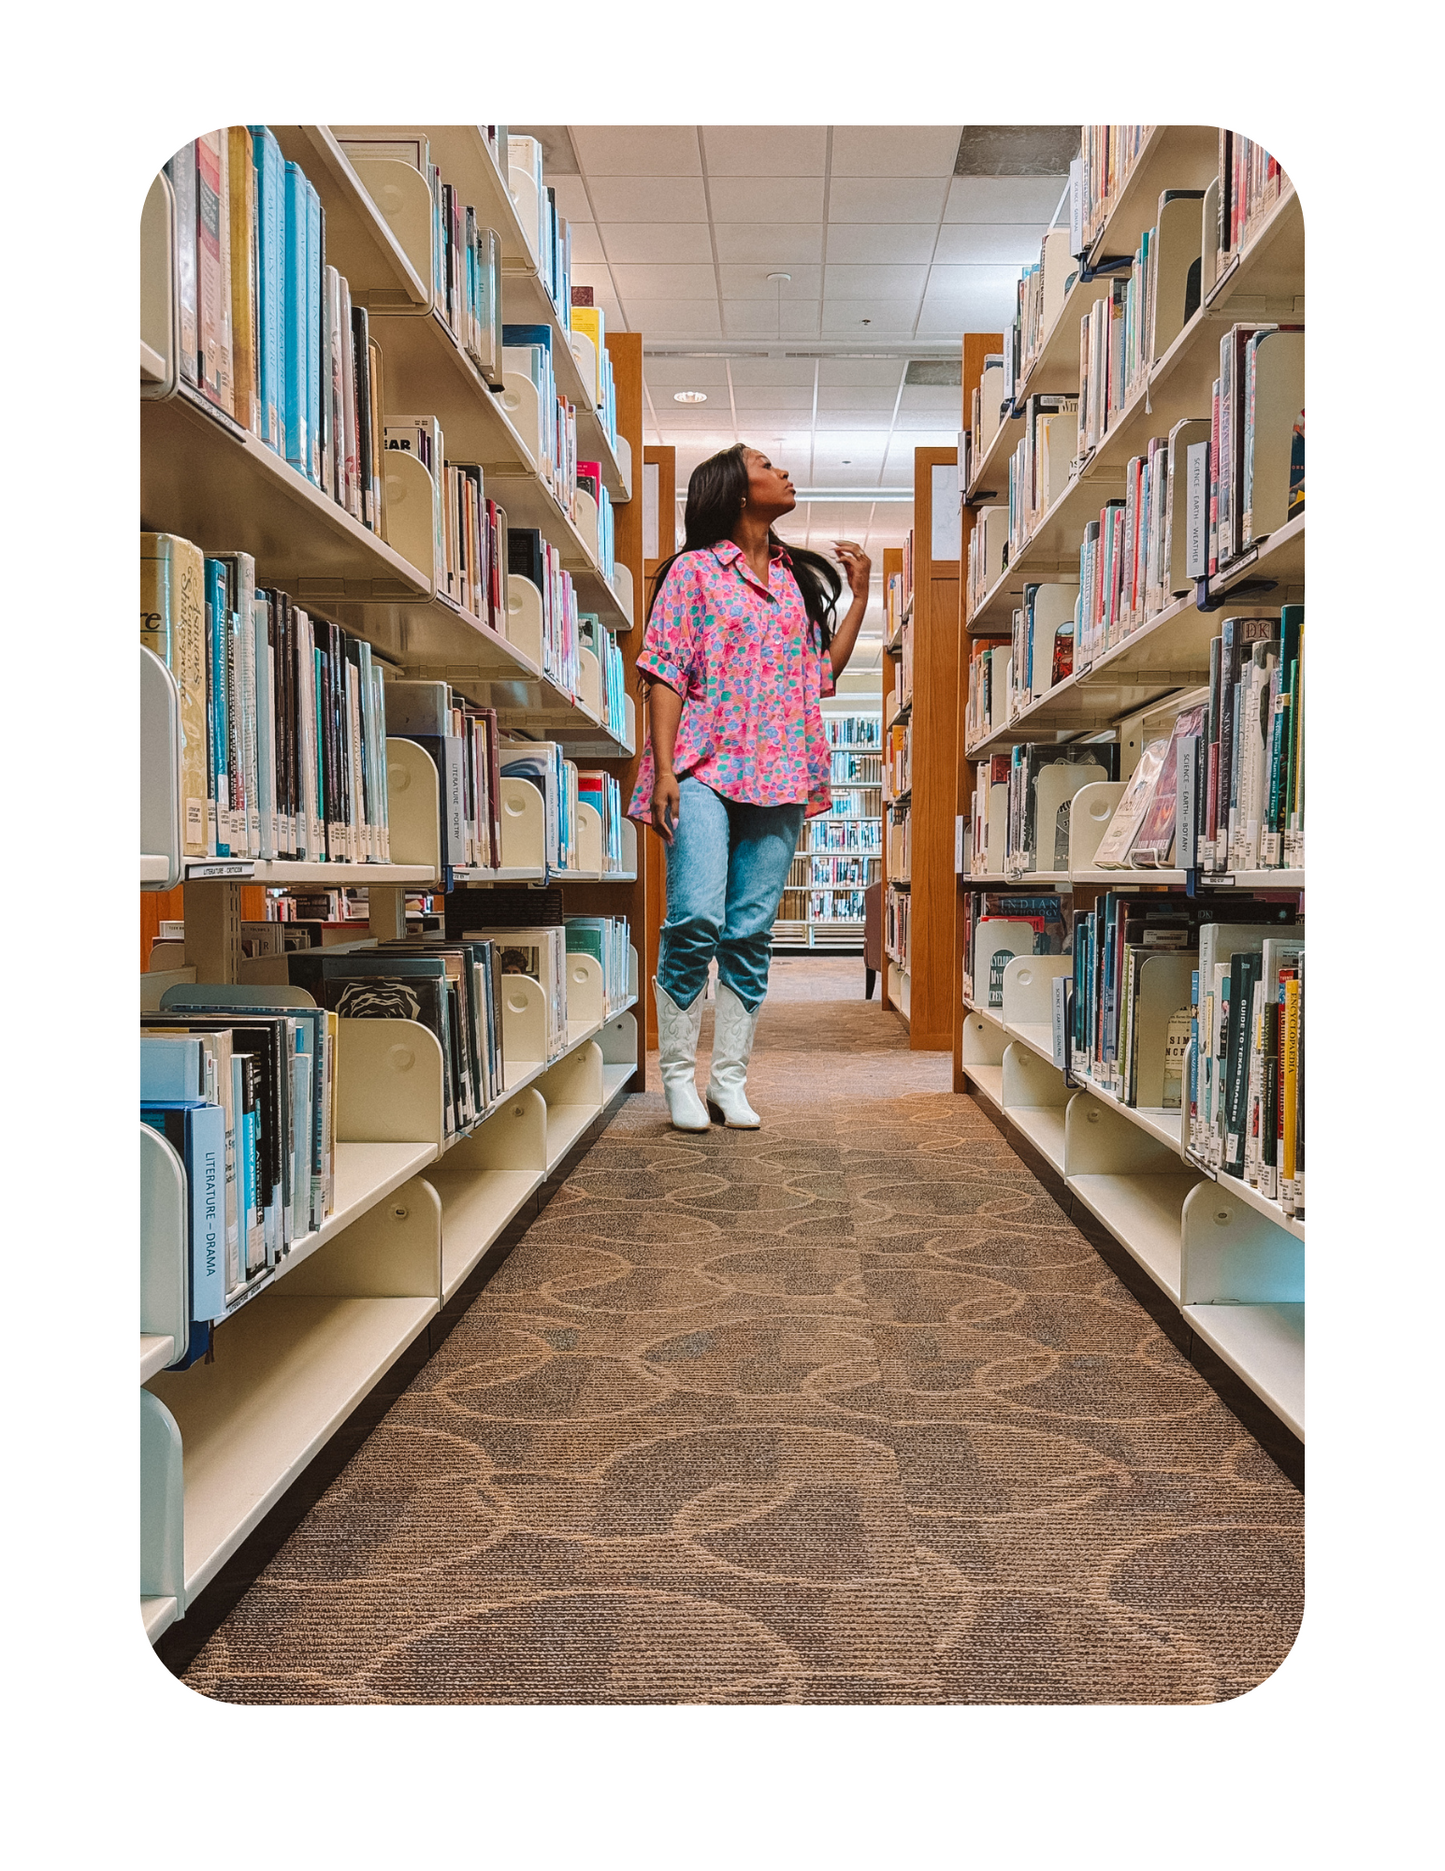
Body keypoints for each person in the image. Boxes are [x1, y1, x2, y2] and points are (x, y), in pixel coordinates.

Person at [627, 443, 871, 1130]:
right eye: (767, 465)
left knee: (750, 930)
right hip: (703, 767)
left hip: (781, 770)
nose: (784, 472)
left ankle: (727, 1079)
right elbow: (665, 671)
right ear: (735, 489)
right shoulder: (693, 572)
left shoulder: (792, 580)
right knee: (695, 916)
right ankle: (678, 1075)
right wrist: (667, 767)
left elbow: (820, 673)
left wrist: (860, 596)